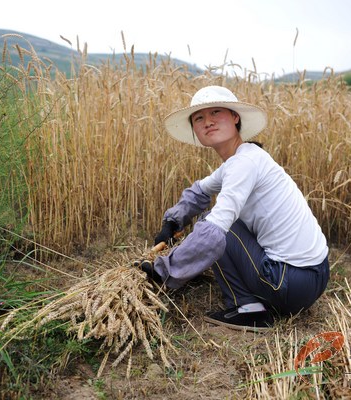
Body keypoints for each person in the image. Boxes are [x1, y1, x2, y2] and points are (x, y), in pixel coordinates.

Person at [138, 85, 329, 332]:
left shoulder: (244, 163)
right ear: (195, 130)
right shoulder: (240, 159)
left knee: (215, 225)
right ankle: (252, 304)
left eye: (216, 112)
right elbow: (200, 191)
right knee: (213, 222)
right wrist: (172, 223)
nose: (207, 121)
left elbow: (215, 231)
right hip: (312, 275)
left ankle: (249, 310)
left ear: (235, 117)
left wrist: (164, 270)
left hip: (292, 282)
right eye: (199, 118)